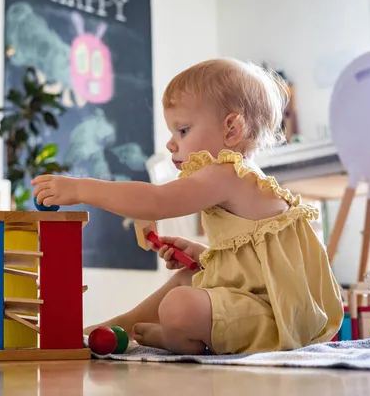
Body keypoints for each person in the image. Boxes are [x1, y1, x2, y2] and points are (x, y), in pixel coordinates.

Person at [31, 58, 344, 355]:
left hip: (275, 320)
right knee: (187, 275)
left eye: (182, 130)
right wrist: (204, 254)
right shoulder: (233, 179)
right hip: (254, 303)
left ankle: (177, 337)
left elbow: (156, 201)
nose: (171, 143)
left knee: (179, 305)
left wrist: (80, 187)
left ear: (231, 129)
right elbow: (256, 264)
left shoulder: (227, 172)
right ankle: (114, 329)